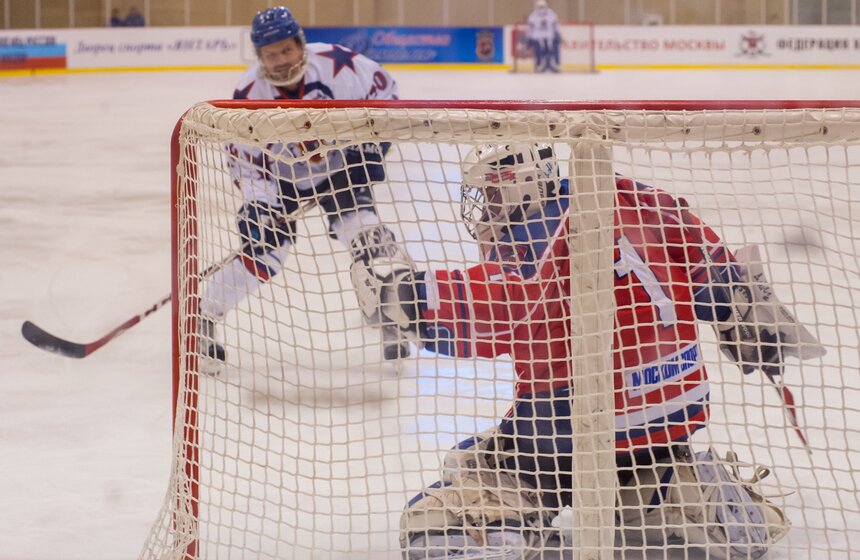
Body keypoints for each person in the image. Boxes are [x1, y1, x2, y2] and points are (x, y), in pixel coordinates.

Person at [349, 143, 825, 558]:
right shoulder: (640, 196)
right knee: (632, 456)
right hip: (675, 406)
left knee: (444, 509)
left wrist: (407, 296)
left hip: (573, 421)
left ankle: (498, 523)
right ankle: (671, 490)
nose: (487, 210)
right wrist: (746, 322)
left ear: (524, 184)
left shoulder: (532, 235)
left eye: (493, 194)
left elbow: (502, 305)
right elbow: (720, 275)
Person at [198, 6, 412, 371]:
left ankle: (392, 317)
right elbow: (249, 166)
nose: (281, 61)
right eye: (271, 54)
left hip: (342, 168)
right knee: (266, 254)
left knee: (364, 232)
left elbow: (386, 97)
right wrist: (258, 207)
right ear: (260, 57)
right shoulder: (248, 95)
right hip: (282, 181)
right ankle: (202, 318)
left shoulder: (340, 66)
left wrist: (372, 147)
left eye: (287, 50)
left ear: (300, 45)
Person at [527, 0, 561, 73]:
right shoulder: (533, 16)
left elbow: (556, 25)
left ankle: (554, 64)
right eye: (540, 7)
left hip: (549, 35)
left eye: (543, 7)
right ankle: (539, 64)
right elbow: (530, 28)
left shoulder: (552, 14)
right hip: (537, 35)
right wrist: (529, 36)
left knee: (553, 49)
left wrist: (557, 33)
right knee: (538, 49)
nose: (541, 9)